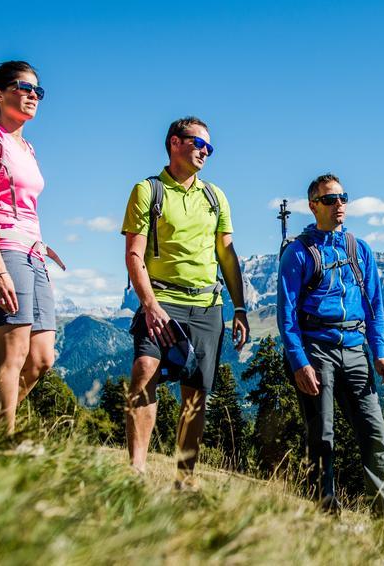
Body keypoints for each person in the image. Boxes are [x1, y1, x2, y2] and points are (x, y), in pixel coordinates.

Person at [121, 116, 249, 487]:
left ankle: (184, 481)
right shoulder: (148, 190)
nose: (205, 152)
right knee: (145, 370)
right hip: (162, 301)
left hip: (208, 306)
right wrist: (149, 304)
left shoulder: (215, 196)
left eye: (210, 147)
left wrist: (239, 307)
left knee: (196, 393)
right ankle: (136, 472)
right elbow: (134, 255)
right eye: (198, 144)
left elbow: (227, 255)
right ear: (175, 142)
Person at [277, 173, 384, 518]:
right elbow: (286, 315)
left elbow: (374, 305)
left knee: (375, 434)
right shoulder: (299, 253)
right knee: (322, 437)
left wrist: (379, 353)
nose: (340, 205)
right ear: (313, 206)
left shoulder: (359, 250)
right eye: (331, 199)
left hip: (356, 350)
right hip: (316, 351)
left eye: (343, 198)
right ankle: (325, 516)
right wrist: (299, 361)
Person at [0, 61, 65, 434]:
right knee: (14, 354)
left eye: (39, 90)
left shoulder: (28, 147)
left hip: (32, 254)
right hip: (1, 252)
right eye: (24, 87)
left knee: (41, 359)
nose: (33, 96)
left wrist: (40, 244)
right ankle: (0, 444)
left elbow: (22, 205)